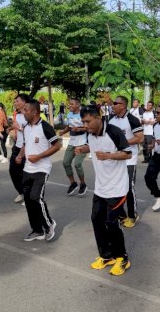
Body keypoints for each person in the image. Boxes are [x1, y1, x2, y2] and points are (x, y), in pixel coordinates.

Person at [76, 106, 132, 276]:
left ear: (98, 117)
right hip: (101, 187)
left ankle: (122, 258)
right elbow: (92, 146)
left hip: (117, 188)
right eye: (84, 122)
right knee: (96, 220)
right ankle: (107, 256)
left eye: (88, 121)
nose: (86, 125)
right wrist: (83, 149)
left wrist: (109, 156)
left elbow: (127, 153)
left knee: (111, 223)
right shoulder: (90, 133)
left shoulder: (114, 132)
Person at [19, 99, 61, 241]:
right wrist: (19, 156)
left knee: (36, 198)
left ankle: (49, 225)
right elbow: (26, 144)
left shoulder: (45, 127)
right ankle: (37, 230)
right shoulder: (25, 127)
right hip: (27, 169)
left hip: (42, 169)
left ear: (34, 112)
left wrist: (39, 157)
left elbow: (57, 145)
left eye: (25, 110)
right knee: (29, 201)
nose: (23, 112)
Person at [108, 96, 144, 227]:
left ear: (123, 105)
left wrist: (122, 141)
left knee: (129, 187)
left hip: (129, 159)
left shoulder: (132, 120)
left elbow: (140, 138)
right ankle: (120, 214)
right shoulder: (112, 120)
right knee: (115, 186)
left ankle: (133, 215)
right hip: (117, 158)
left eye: (115, 103)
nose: (113, 105)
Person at [58, 98, 88, 196]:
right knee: (66, 162)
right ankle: (73, 183)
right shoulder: (69, 114)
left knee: (77, 164)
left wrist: (79, 129)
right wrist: (63, 131)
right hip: (72, 142)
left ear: (78, 105)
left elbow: (89, 128)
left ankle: (83, 184)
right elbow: (69, 127)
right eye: (69, 104)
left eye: (72, 104)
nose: (69, 106)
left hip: (82, 142)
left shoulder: (83, 114)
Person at [8, 94, 30, 204]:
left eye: (17, 101)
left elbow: (32, 132)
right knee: (13, 171)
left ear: (24, 102)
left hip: (27, 148)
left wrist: (19, 128)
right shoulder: (17, 114)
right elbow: (18, 127)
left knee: (25, 173)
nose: (15, 103)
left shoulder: (29, 115)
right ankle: (21, 192)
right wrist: (12, 129)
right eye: (15, 101)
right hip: (17, 146)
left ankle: (28, 195)